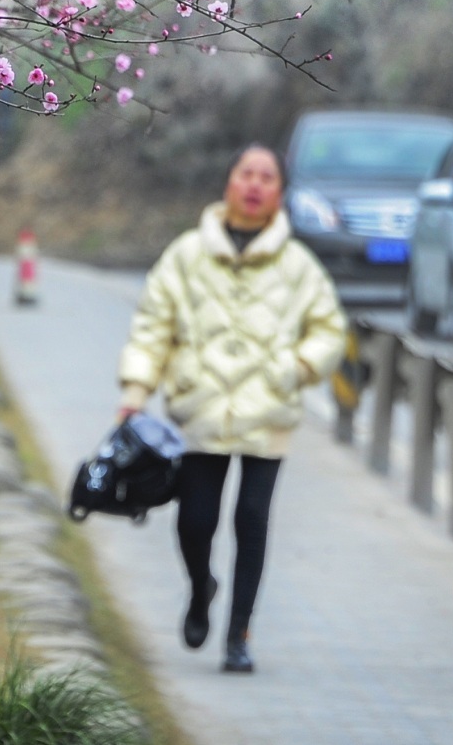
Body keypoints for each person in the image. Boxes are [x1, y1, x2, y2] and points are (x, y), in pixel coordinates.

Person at [116, 144, 348, 676]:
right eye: (246, 173)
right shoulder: (187, 254)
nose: (255, 184)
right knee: (196, 522)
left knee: (251, 519)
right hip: (201, 408)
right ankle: (201, 589)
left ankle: (239, 633)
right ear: (228, 182)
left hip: (268, 411)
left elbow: (329, 329)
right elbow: (153, 323)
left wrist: (294, 368)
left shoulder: (298, 266)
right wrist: (135, 391)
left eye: (267, 177)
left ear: (279, 194)